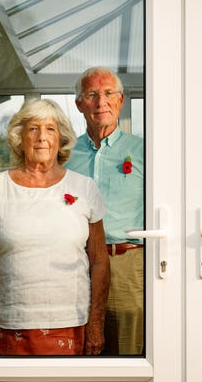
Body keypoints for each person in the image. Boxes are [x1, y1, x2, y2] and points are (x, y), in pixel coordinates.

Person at [0, 98, 110, 356]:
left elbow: (99, 260)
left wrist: (96, 324)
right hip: (7, 321)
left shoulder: (84, 188)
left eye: (50, 129)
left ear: (61, 138)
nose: (41, 136)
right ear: (19, 137)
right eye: (33, 128)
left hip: (69, 322)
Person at [65, 66, 145, 355]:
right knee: (79, 347)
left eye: (109, 93)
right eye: (92, 94)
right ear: (79, 104)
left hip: (125, 263)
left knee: (130, 352)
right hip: (74, 264)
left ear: (120, 100)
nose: (101, 102)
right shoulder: (64, 154)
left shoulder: (144, 151)